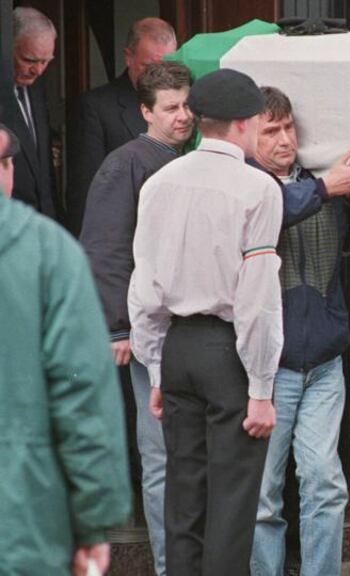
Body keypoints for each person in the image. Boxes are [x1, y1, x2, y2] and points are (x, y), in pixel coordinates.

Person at [128, 68, 283, 576]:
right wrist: (261, 386)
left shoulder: (159, 182)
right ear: (247, 123)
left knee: (184, 496)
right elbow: (257, 295)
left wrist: (154, 368)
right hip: (228, 350)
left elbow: (144, 284)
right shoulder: (258, 188)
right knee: (233, 504)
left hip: (177, 346)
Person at [0, 121, 132, 575]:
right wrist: (95, 522)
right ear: (8, 169)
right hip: (21, 519)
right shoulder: (48, 251)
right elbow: (82, 395)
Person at [79, 60, 193, 576]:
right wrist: (117, 327)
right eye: (170, 108)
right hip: (147, 331)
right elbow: (104, 248)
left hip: (192, 328)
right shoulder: (125, 162)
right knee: (161, 457)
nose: (183, 116)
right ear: (145, 111)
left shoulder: (191, 157)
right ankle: (170, 566)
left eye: (188, 104)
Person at [249, 86, 350, 576]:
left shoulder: (324, 182)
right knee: (263, 496)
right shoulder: (246, 185)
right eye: (270, 130)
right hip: (266, 370)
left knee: (325, 485)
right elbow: (273, 207)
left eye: (288, 127)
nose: (283, 140)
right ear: (244, 134)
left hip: (323, 362)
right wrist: (325, 188)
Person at [67, 17, 178, 236]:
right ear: (128, 57)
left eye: (165, 67)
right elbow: (85, 191)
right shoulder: (97, 107)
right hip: (122, 238)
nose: (157, 76)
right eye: (148, 66)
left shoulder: (184, 106)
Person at [3, 7, 59, 220]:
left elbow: (43, 171)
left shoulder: (37, 89)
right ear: (8, 48)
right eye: (30, 60)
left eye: (46, 61)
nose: (38, 70)